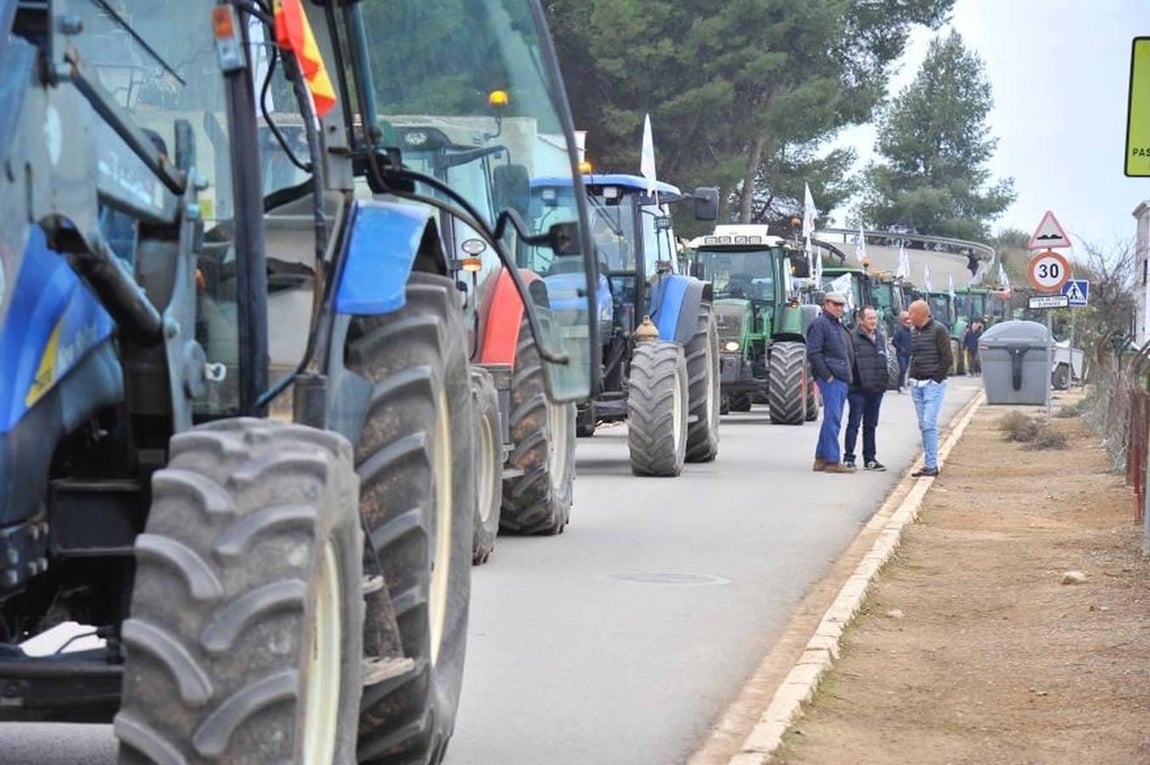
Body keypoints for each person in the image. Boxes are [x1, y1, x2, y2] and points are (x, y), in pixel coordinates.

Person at [806, 292, 855, 473]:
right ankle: (832, 460)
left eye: (841, 305)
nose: (839, 308)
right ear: (826, 304)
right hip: (832, 378)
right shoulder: (820, 324)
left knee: (831, 419)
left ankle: (821, 458)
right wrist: (827, 375)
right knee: (833, 419)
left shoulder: (837, 326)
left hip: (841, 377)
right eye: (835, 304)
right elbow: (814, 353)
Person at [907, 299, 953, 477]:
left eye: (911, 313)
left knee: (928, 423)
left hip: (932, 385)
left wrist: (936, 379)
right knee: (923, 425)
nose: (909, 317)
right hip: (917, 384)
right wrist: (911, 377)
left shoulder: (939, 330)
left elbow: (947, 357)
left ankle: (932, 465)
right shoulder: (914, 332)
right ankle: (928, 463)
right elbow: (914, 356)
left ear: (921, 314)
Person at [844, 306, 889, 471]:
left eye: (875, 318)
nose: (873, 321)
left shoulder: (880, 338)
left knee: (871, 425)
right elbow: (849, 361)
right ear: (861, 320)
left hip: (876, 389)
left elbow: (884, 360)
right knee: (854, 423)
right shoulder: (852, 338)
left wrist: (884, 382)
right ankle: (849, 458)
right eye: (870, 318)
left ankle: (870, 459)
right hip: (858, 389)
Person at [892, 311, 912, 392]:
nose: (908, 323)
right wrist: (900, 348)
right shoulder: (899, 332)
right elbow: (894, 342)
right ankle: (900, 386)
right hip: (901, 355)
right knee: (902, 369)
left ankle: (904, 384)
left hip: (908, 354)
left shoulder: (911, 332)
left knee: (906, 369)